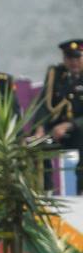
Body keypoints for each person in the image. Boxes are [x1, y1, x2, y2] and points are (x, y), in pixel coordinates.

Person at [33, 39, 83, 194]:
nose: (73, 62)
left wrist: (69, 125)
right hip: (55, 130)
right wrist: (40, 128)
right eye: (69, 58)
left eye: (77, 58)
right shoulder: (56, 74)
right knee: (34, 145)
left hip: (78, 129)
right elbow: (43, 104)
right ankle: (44, 193)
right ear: (64, 59)